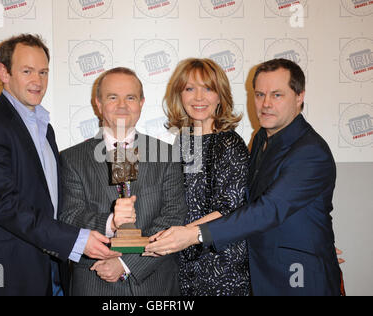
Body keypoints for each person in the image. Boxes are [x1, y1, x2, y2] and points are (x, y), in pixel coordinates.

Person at [146, 58, 342, 296]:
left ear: (299, 96)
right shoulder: (261, 138)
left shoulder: (310, 151)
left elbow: (268, 209)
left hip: (295, 275)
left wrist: (193, 234)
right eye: (259, 94)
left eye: (277, 95)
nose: (266, 104)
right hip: (258, 268)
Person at [0, 34, 120, 296]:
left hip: (49, 271)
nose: (37, 81)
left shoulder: (45, 129)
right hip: (1, 275)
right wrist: (76, 240)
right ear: (3, 72)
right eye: (27, 71)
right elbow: (4, 204)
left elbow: (51, 203)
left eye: (43, 72)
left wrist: (105, 224)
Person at [59, 67, 188, 296]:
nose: (122, 105)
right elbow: (70, 216)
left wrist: (127, 263)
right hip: (94, 283)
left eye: (130, 97)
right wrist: (111, 222)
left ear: (141, 103)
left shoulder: (167, 155)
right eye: (112, 97)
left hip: (155, 286)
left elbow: (173, 217)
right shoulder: (71, 159)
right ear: (98, 104)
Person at [161, 58, 251, 295]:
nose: (198, 98)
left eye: (208, 89)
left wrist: (181, 235)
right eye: (190, 88)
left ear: (220, 96)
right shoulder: (182, 141)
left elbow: (229, 209)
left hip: (222, 263)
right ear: (179, 95)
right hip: (184, 261)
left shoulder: (230, 143)